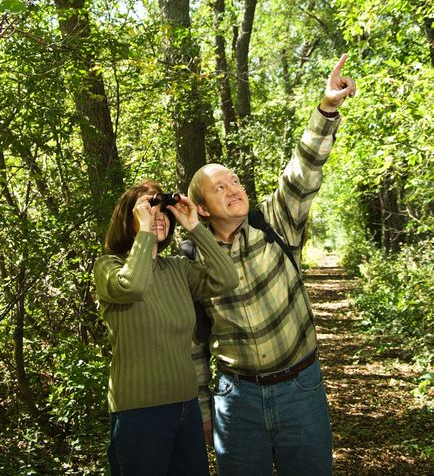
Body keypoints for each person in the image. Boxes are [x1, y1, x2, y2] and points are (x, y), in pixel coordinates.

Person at [188, 54, 356, 476]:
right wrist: (206, 411)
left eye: (235, 181)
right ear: (202, 209)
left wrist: (327, 108)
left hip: (301, 388)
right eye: (219, 188)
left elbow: (303, 169)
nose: (233, 190)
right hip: (236, 401)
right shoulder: (192, 261)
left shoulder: (276, 220)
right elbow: (193, 345)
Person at [93, 179, 239, 476]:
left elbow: (227, 279)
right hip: (138, 413)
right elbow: (132, 285)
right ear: (128, 217)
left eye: (164, 213)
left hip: (186, 406)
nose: (158, 217)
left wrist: (195, 227)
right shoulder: (108, 265)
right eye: (149, 210)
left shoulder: (177, 268)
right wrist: (145, 232)